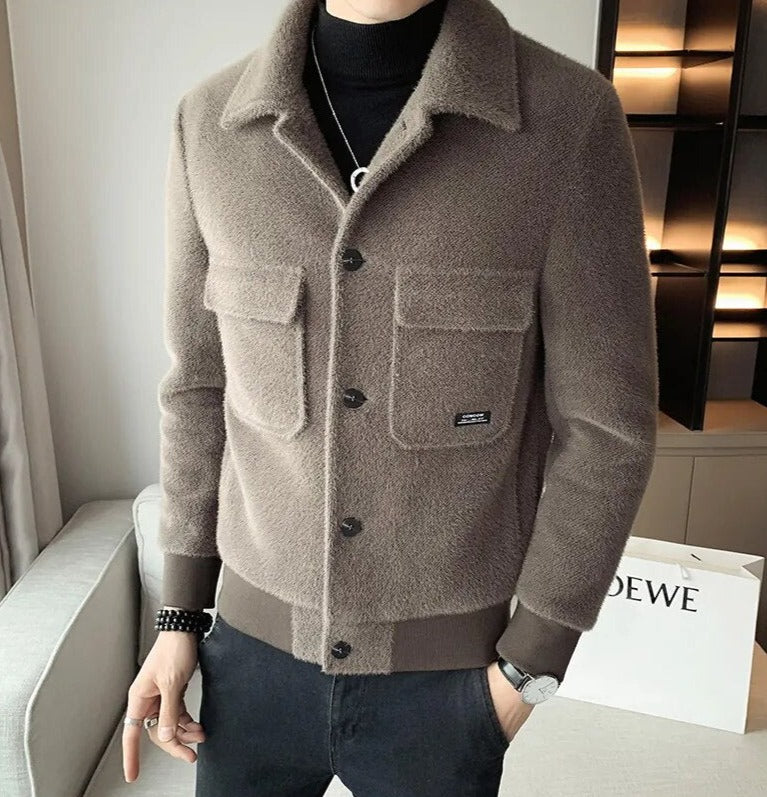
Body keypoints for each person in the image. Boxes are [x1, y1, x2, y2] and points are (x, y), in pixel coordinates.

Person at [122, 0, 659, 794]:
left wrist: (531, 665)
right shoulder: (208, 126)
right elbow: (198, 390)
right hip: (246, 669)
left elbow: (607, 426)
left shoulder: (565, 120)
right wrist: (177, 619)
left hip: (448, 687)